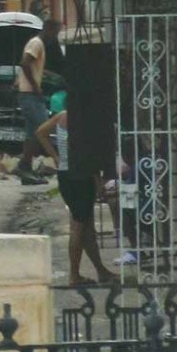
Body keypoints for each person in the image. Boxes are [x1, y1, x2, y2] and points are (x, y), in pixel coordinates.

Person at [37, 110, 113, 286]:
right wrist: (98, 181)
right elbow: (88, 155)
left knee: (85, 226)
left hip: (65, 175)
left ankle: (101, 270)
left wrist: (55, 156)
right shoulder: (86, 121)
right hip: (82, 177)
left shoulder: (63, 116)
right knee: (79, 227)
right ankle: (74, 275)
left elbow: (40, 133)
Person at [13, 19, 55, 185]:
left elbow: (32, 66)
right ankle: (23, 164)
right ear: (49, 29)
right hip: (30, 94)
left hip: (28, 94)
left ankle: (27, 170)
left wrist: (47, 75)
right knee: (42, 130)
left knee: (32, 133)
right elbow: (24, 63)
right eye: (55, 32)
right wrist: (35, 86)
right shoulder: (36, 43)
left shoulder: (38, 44)